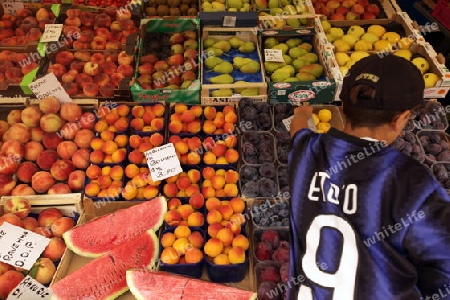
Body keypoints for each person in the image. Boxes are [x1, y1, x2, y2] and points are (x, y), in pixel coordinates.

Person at [287, 54, 450, 300]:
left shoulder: (305, 152)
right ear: (400, 119)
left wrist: (302, 111)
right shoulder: (414, 185)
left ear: (343, 107)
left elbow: (297, 129)